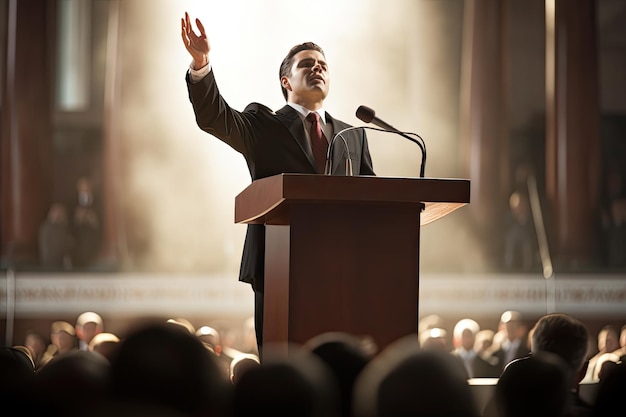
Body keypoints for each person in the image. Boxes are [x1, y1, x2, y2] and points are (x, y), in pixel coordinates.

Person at [181, 12, 375, 357]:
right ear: (286, 81)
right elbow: (215, 117)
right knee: (283, 371)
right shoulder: (263, 124)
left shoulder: (353, 134)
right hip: (279, 267)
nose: (318, 69)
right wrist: (201, 65)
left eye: (323, 65)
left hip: (342, 269)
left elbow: (375, 198)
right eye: (307, 64)